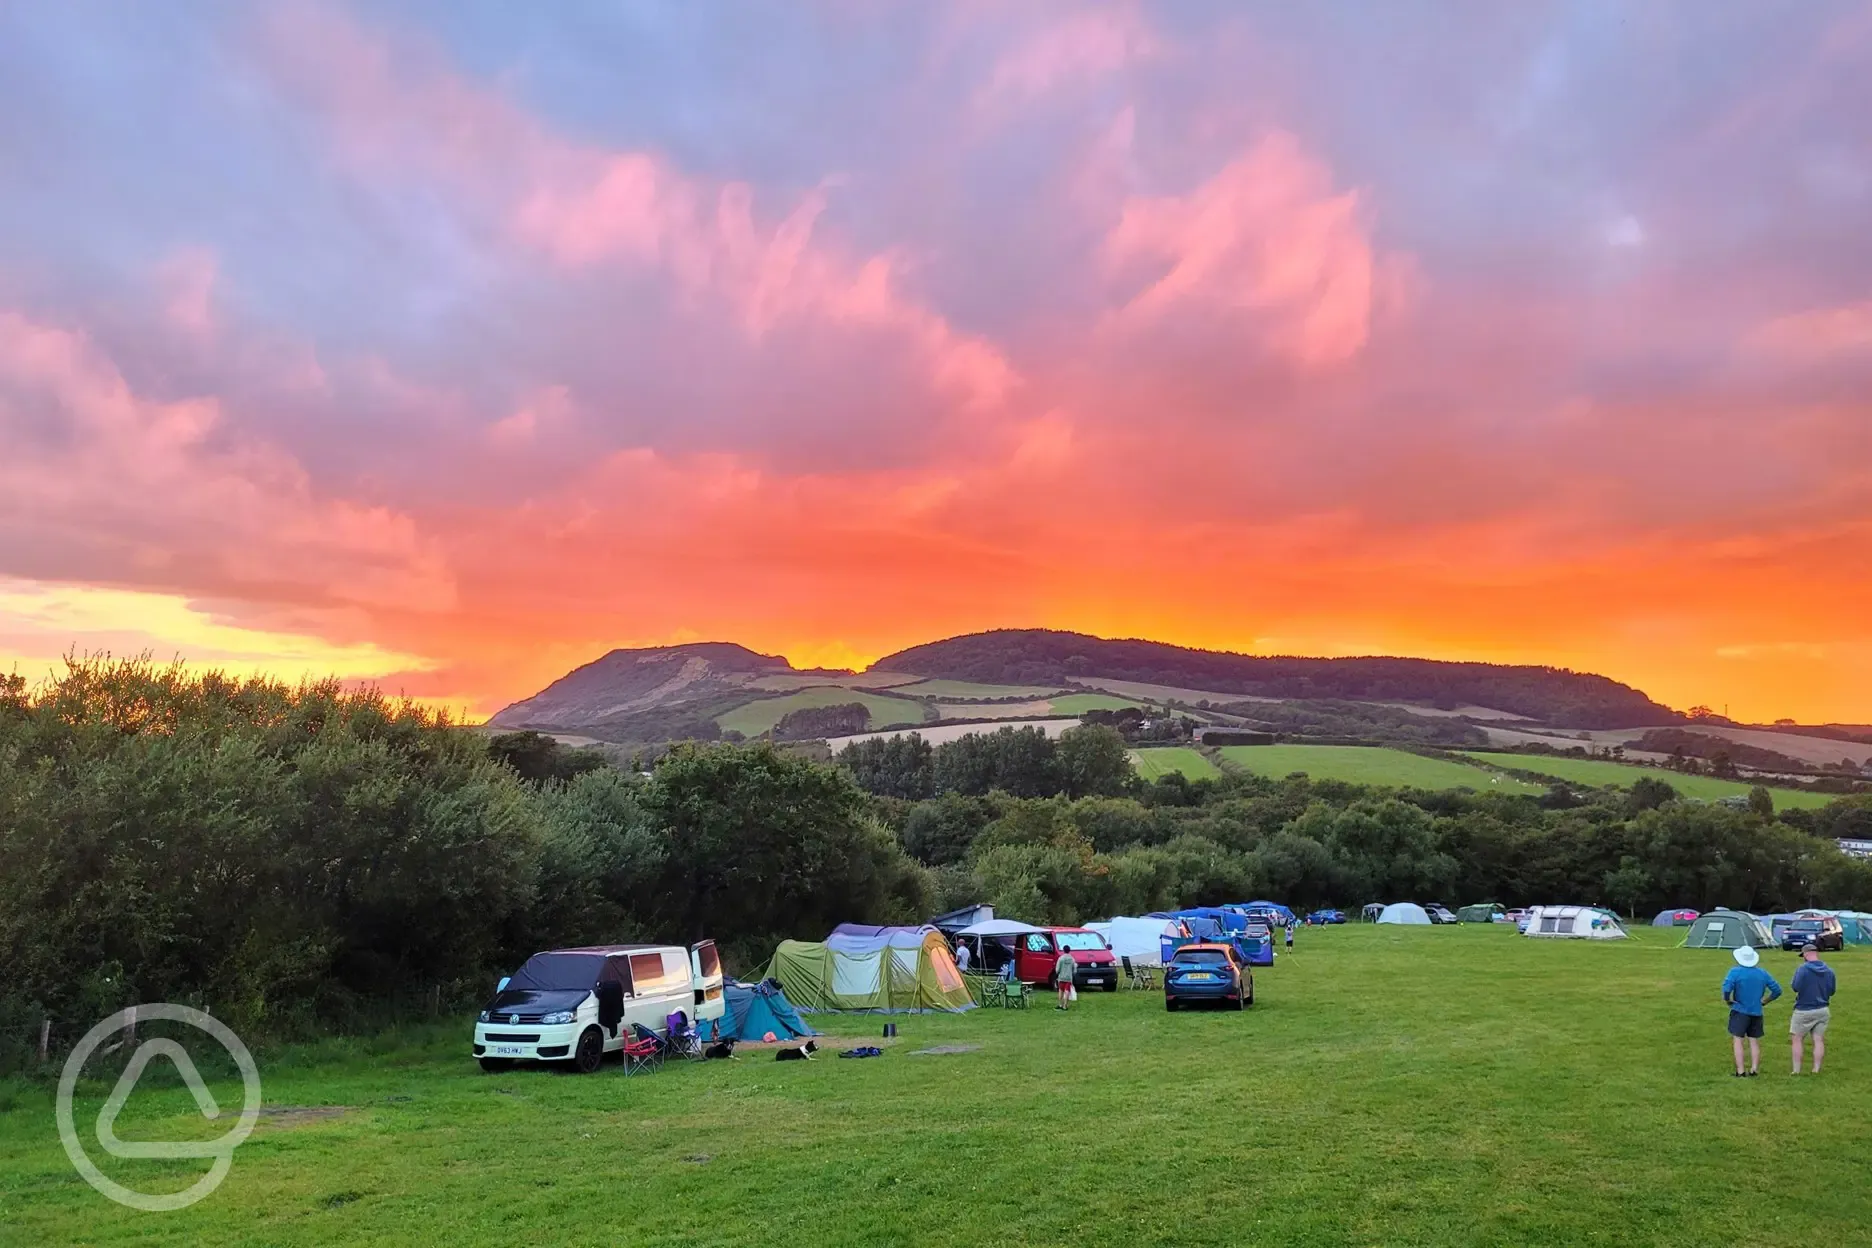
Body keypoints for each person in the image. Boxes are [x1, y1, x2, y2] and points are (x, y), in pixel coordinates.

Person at [1720, 945, 1783, 1077]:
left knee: (1738, 1040)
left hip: (1740, 1010)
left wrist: (1728, 1000)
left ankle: (1741, 1070)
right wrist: (1765, 1000)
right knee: (1754, 1040)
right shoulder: (1762, 973)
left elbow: (1726, 989)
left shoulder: (1735, 972)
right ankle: (1754, 1069)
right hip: (1756, 1011)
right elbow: (1777, 990)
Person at [1790, 942, 1837, 1075]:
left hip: (1804, 1009)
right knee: (1818, 1039)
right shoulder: (1829, 970)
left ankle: (1796, 1070)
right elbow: (1832, 991)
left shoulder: (1803, 969)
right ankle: (1816, 1069)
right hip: (1823, 1009)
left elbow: (1795, 987)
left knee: (1797, 1038)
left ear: (1805, 954)